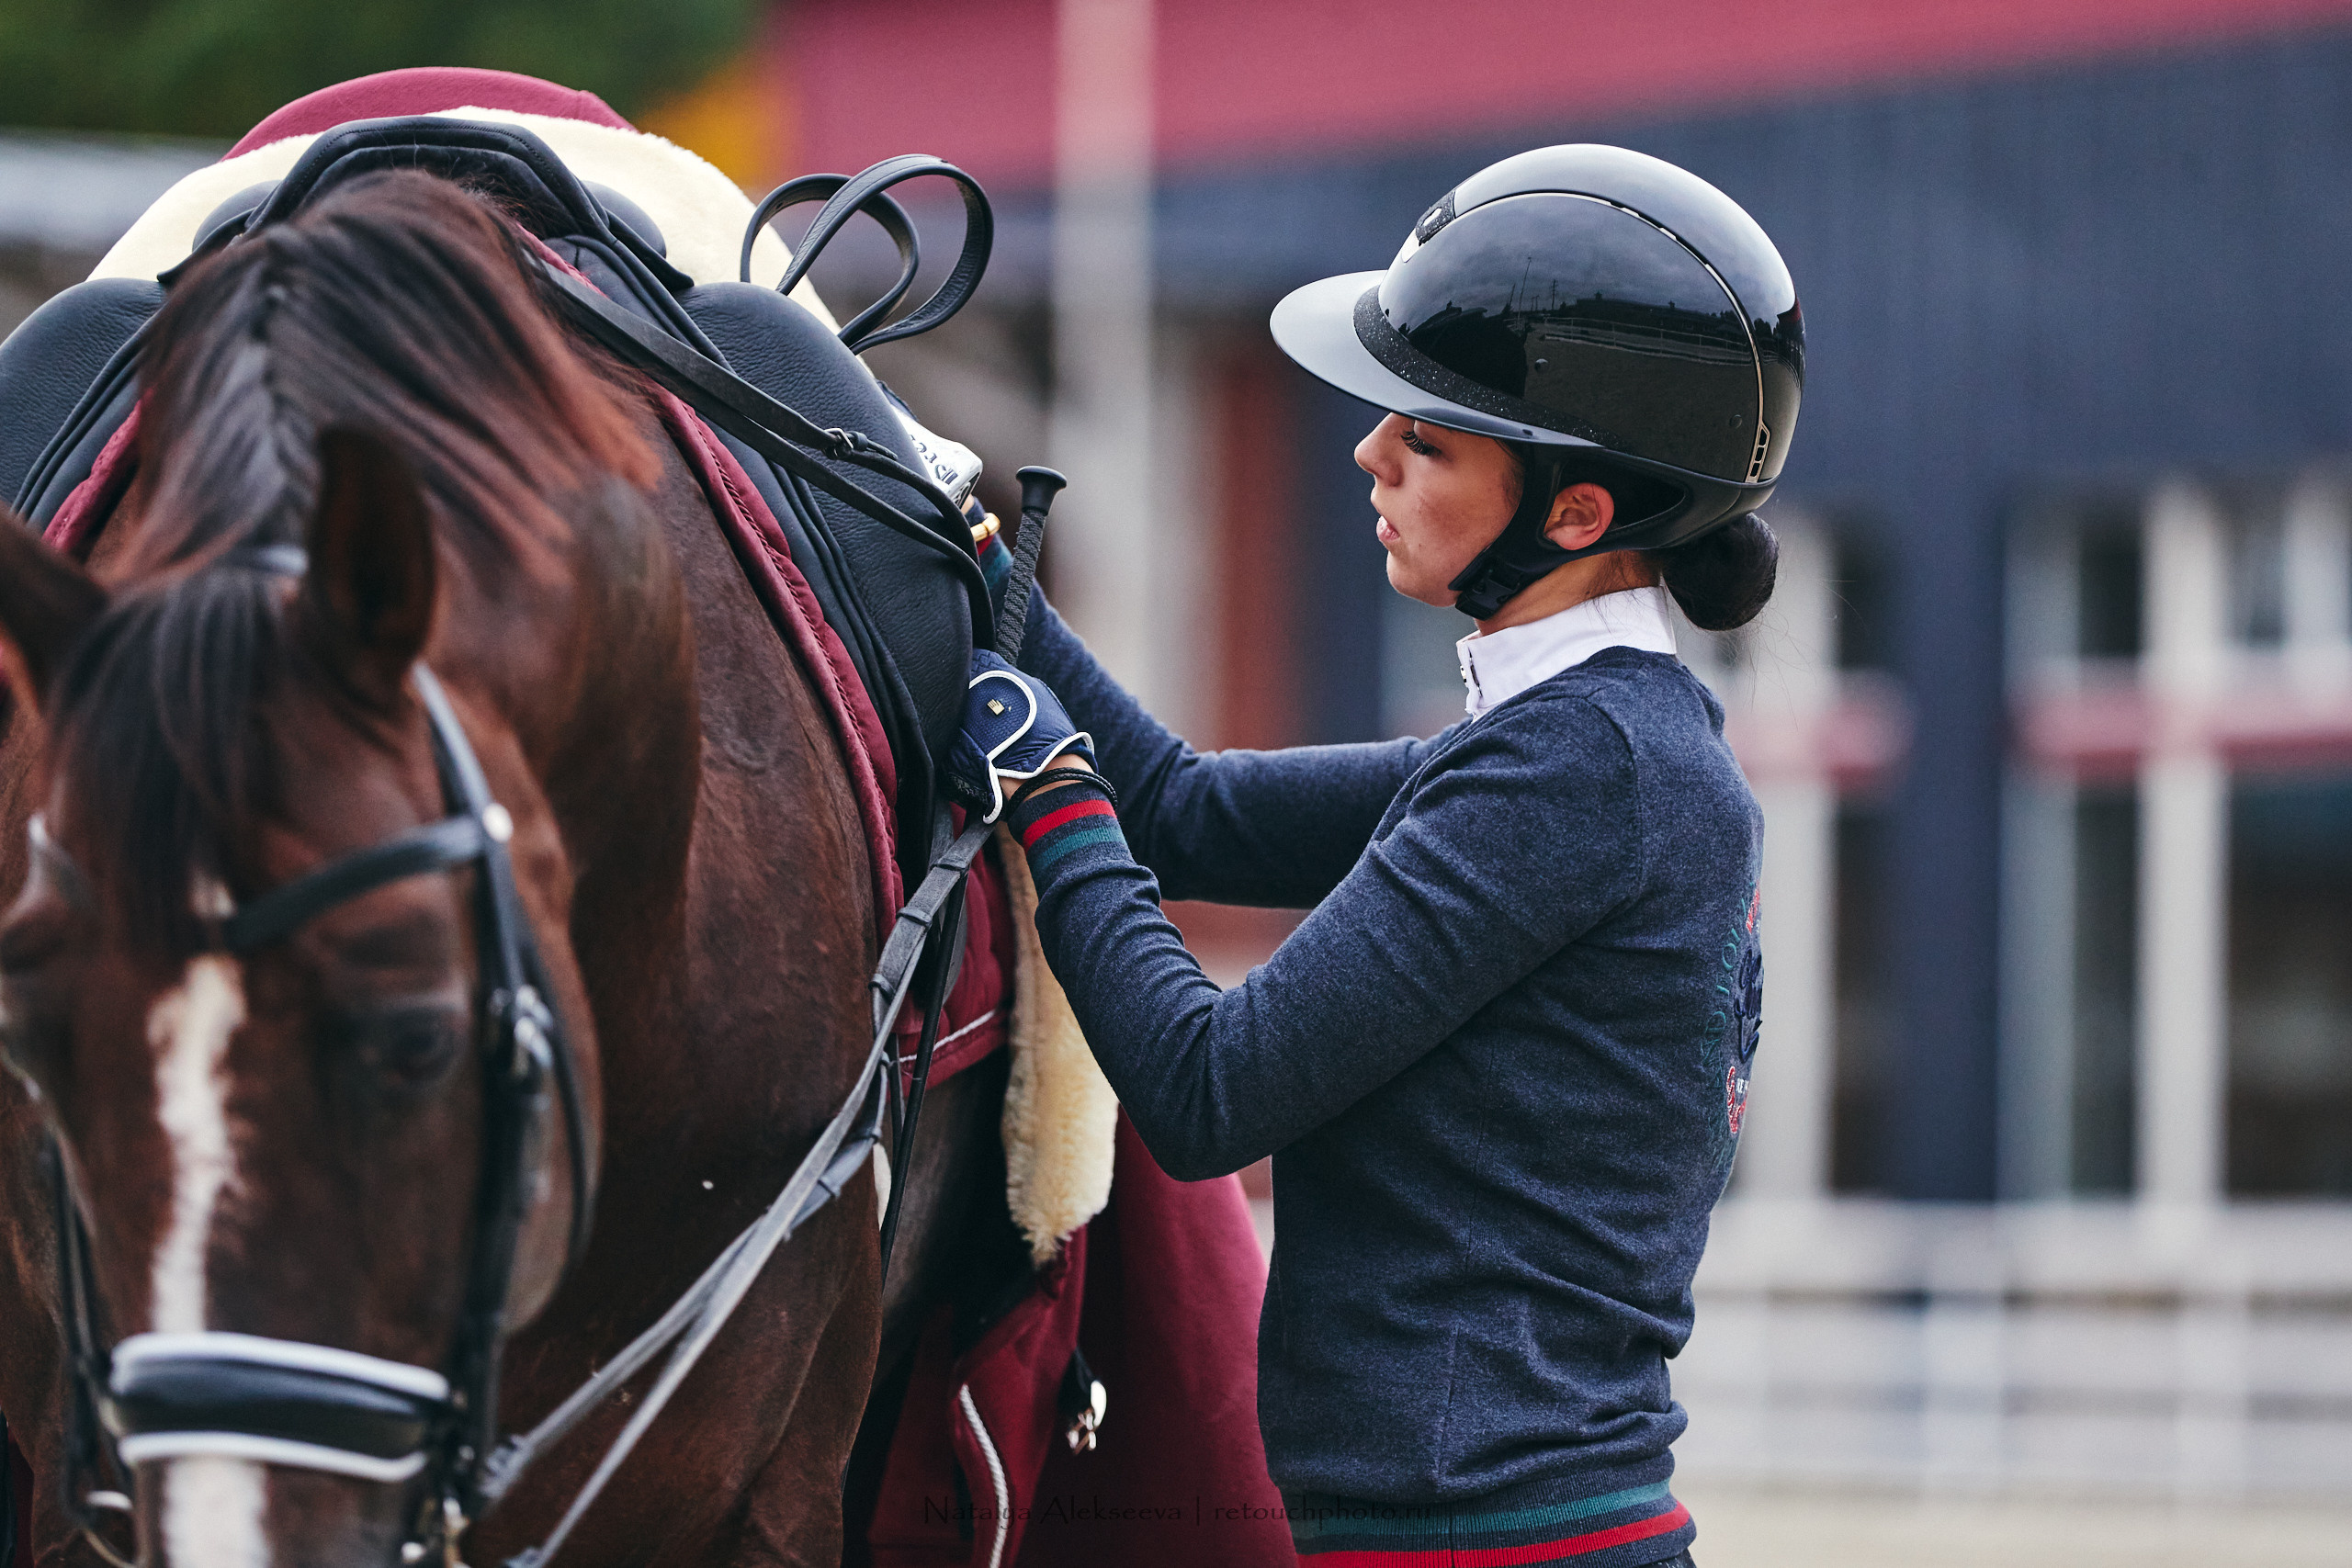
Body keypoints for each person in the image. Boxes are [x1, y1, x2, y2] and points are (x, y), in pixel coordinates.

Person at [952, 145, 1800, 1568]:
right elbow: (1183, 810)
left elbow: (1207, 1091)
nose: (1370, 452)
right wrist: (977, 575)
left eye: (1431, 440)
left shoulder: (1575, 770)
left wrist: (1042, 788)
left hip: (1482, 1542)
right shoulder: (1597, 743)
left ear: (1576, 515)